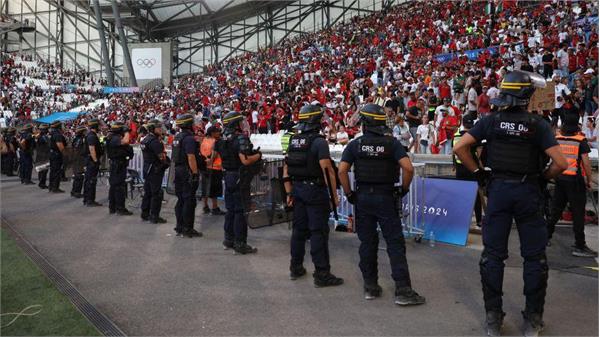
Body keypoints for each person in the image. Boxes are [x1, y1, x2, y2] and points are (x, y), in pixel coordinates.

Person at [454, 70, 568, 337]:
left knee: (492, 256)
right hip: (528, 191)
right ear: (527, 95)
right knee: (534, 258)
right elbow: (561, 163)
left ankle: (493, 318)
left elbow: (460, 148)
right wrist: (542, 178)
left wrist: (479, 173)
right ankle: (533, 320)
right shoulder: (537, 125)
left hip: (499, 192)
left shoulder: (490, 121)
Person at [338, 103, 425, 305]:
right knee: (394, 243)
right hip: (386, 197)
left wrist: (350, 193)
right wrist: (402, 190)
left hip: (363, 198)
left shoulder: (355, 144)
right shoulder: (392, 144)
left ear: (365, 124)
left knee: (367, 243)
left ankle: (370, 287)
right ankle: (403, 290)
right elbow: (408, 169)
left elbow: (342, 171)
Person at [282, 104, 343, 287]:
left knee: (299, 231)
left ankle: (296, 267)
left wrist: (289, 191)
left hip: (298, 189)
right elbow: (328, 170)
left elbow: (287, 167)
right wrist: (334, 195)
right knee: (318, 232)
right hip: (315, 191)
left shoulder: (294, 140)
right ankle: (322, 273)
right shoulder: (319, 142)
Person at [546, 114, 596, 257]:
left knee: (555, 210)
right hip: (575, 181)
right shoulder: (581, 141)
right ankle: (580, 245)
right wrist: (589, 181)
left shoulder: (558, 139)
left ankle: (545, 237)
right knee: (578, 213)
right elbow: (586, 163)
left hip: (560, 177)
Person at [216, 111, 261, 254]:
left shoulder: (222, 139)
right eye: (240, 122)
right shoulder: (240, 138)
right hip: (239, 177)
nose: (243, 124)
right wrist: (258, 155)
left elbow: (214, 156)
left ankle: (228, 240)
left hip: (227, 176)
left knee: (230, 210)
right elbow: (245, 160)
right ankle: (240, 243)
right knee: (240, 211)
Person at [172, 113, 203, 237]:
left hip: (178, 170)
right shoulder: (189, 139)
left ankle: (179, 226)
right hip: (187, 171)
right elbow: (191, 157)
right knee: (189, 201)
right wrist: (195, 173)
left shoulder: (177, 137)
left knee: (180, 200)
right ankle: (187, 228)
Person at [452, 115, 483, 227]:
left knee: (461, 195)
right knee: (476, 195)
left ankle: (461, 221)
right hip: (472, 168)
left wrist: (454, 164)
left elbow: (453, 152)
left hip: (460, 169)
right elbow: (479, 153)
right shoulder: (473, 136)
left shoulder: (455, 135)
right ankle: (479, 220)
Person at [140, 119, 170, 224]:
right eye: (158, 127)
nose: (161, 129)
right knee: (156, 194)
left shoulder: (145, 139)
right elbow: (161, 157)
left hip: (147, 169)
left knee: (147, 192)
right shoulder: (155, 142)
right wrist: (166, 161)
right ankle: (154, 216)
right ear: (153, 128)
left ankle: (145, 213)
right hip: (155, 170)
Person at [105, 121, 133, 215]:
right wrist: (127, 132)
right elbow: (126, 141)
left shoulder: (111, 137)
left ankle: (113, 207)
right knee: (119, 187)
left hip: (116, 164)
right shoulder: (115, 138)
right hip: (118, 165)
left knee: (114, 186)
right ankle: (120, 208)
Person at [200, 126, 225, 215]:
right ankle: (215, 207)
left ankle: (205, 206)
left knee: (205, 187)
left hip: (204, 166)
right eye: (217, 131)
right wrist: (211, 162)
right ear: (212, 133)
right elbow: (215, 153)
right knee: (215, 188)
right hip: (214, 167)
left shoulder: (204, 140)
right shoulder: (216, 141)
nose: (219, 133)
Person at [83, 119, 103, 207]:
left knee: (89, 180)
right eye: (98, 125)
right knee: (91, 181)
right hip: (92, 161)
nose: (100, 127)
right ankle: (90, 200)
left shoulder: (91, 135)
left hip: (90, 161)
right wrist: (95, 161)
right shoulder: (91, 136)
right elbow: (92, 149)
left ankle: (87, 199)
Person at [48, 121, 67, 193]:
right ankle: (55, 187)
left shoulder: (52, 133)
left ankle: (51, 186)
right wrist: (65, 154)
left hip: (52, 154)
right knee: (56, 171)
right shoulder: (57, 134)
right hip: (56, 154)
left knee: (53, 171)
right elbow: (60, 146)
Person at [70, 126, 87, 198]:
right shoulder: (80, 140)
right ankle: (77, 192)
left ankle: (74, 191)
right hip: (79, 159)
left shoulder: (77, 139)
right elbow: (77, 150)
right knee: (79, 176)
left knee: (77, 175)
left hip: (77, 159)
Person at [35, 124, 50, 189]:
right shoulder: (44, 137)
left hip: (39, 154)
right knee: (44, 170)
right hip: (44, 155)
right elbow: (49, 145)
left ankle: (41, 183)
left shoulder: (38, 136)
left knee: (41, 170)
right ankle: (42, 184)